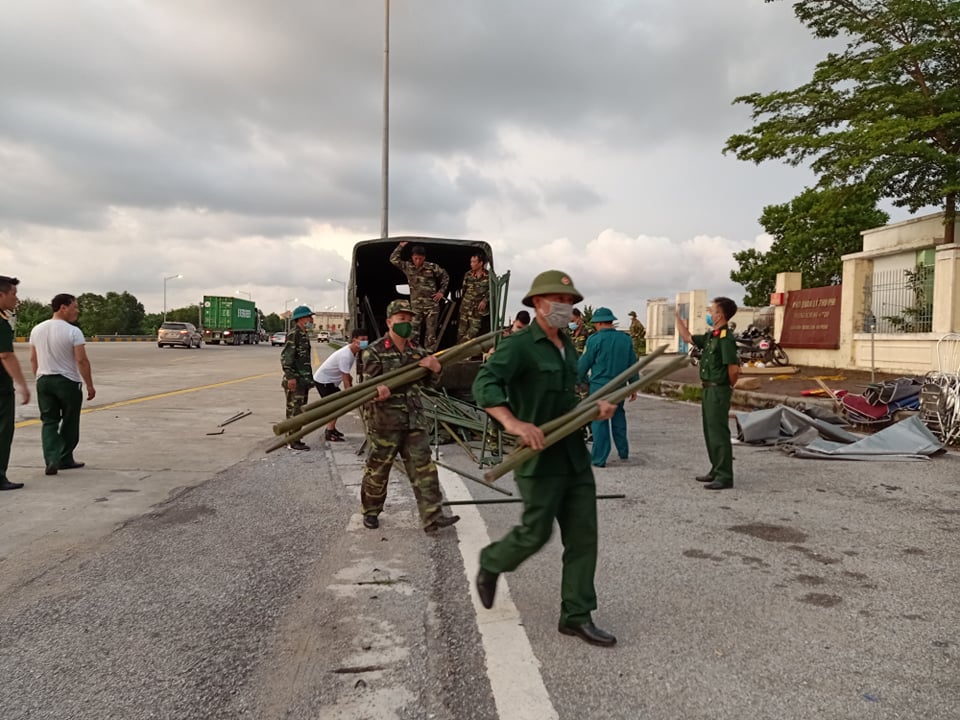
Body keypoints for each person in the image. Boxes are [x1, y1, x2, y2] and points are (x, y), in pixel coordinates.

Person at [472, 270, 619, 647]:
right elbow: (484, 384)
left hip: (573, 456)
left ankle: (576, 615)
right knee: (535, 533)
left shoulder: (567, 346)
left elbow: (568, 399)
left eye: (570, 302)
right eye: (559, 300)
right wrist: (514, 423)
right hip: (538, 457)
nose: (566, 308)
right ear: (538, 303)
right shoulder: (518, 346)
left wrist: (593, 408)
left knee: (584, 537)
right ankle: (492, 562)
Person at [358, 299, 460, 534]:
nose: (406, 323)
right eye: (401, 319)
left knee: (424, 468)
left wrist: (436, 369)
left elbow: (430, 386)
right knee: (378, 468)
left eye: (408, 319)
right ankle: (371, 511)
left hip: (413, 419)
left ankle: (432, 517)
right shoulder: (374, 351)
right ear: (389, 322)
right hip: (384, 421)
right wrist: (377, 393)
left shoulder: (419, 352)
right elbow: (365, 390)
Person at [675, 297, 739, 490]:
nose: (710, 314)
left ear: (720, 315)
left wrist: (727, 387)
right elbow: (688, 338)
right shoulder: (712, 336)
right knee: (709, 431)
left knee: (718, 432)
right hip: (708, 388)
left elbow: (734, 369)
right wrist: (678, 318)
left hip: (718, 389)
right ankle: (716, 468)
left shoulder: (726, 338)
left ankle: (725, 475)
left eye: (712, 311)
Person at [29, 293, 95, 476]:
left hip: (44, 380)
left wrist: (39, 378)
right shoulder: (73, 331)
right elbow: (81, 360)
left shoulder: (37, 329)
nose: (77, 311)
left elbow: (33, 359)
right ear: (63, 307)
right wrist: (89, 385)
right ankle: (65, 458)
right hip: (67, 382)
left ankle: (51, 458)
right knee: (70, 420)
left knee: (49, 421)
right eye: (75, 307)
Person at [577, 307, 638, 468]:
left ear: (598, 323)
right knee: (618, 416)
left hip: (599, 388)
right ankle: (623, 452)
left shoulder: (594, 340)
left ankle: (599, 458)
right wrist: (633, 386)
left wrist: (580, 380)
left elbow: (584, 364)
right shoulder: (625, 339)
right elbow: (633, 364)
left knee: (600, 421)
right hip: (619, 387)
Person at [390, 241, 450, 350]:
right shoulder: (408, 267)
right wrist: (400, 247)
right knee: (413, 332)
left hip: (431, 305)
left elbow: (445, 276)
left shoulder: (432, 267)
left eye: (420, 259)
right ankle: (414, 353)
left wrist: (442, 291)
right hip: (416, 307)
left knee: (431, 332)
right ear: (412, 257)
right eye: (416, 258)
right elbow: (393, 259)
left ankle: (430, 354)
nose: (418, 261)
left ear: (424, 258)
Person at [313, 327, 368, 442]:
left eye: (366, 340)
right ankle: (329, 432)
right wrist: (349, 393)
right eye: (362, 339)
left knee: (337, 405)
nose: (364, 342)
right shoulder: (346, 355)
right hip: (324, 381)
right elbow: (345, 378)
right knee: (336, 406)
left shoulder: (353, 352)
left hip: (329, 382)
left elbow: (348, 375)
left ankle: (332, 429)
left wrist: (350, 385)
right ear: (354, 340)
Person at [0, 276, 29, 491]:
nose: (16, 299)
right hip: (0, 390)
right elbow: (6, 355)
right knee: (2, 431)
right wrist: (22, 384)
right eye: (13, 294)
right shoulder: (1, 323)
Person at [281, 305, 315, 451]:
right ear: (301, 319)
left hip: (303, 380)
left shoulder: (303, 334)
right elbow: (286, 357)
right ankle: (292, 441)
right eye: (309, 317)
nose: (311, 320)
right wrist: (291, 377)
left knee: (299, 411)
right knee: (294, 411)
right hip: (295, 380)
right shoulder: (294, 334)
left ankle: (295, 438)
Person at [456, 251, 490, 343]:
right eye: (471, 262)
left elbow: (492, 291)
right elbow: (463, 290)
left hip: (477, 310)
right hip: (465, 308)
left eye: (474, 262)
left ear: (481, 263)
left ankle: (460, 348)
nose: (471, 264)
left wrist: (485, 300)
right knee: (461, 332)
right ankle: (460, 353)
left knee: (473, 330)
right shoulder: (468, 275)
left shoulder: (489, 277)